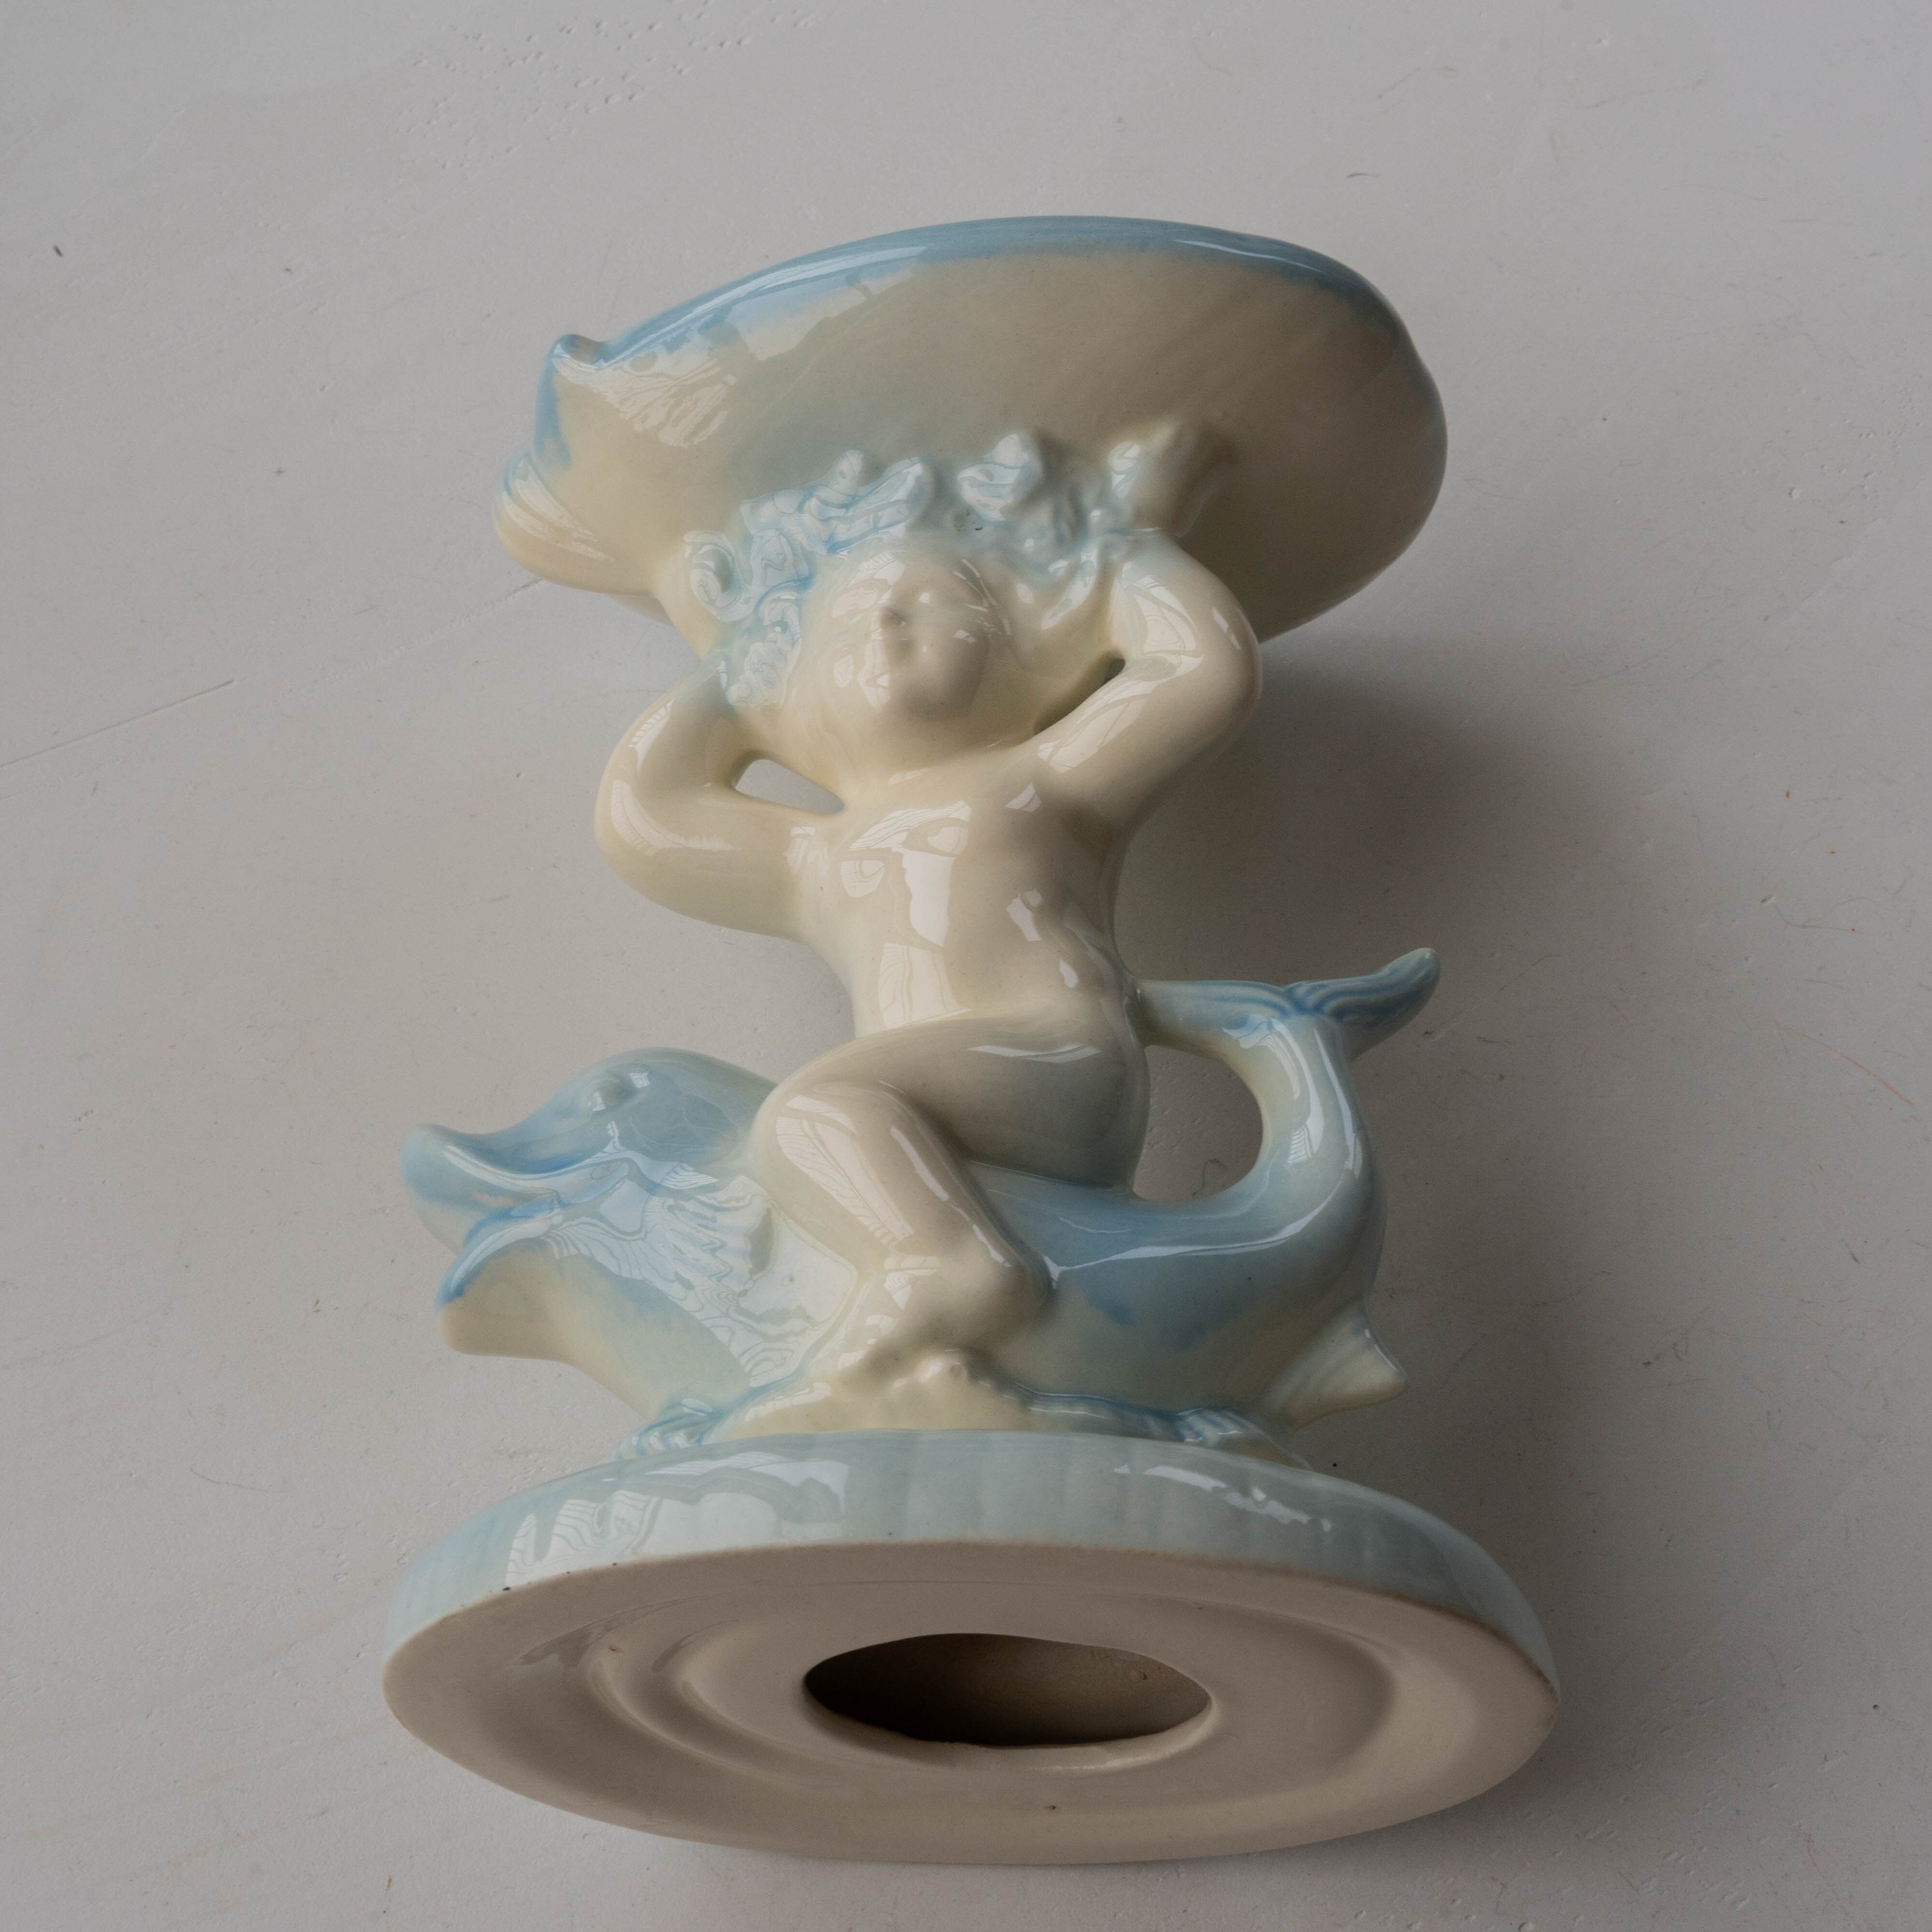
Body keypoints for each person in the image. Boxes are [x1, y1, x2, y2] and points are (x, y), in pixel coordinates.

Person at [594, 428, 1259, 1432]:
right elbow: (645, 815)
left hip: (1056, 1062)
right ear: (794, 686)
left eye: (941, 600)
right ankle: (925, 1294)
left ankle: (950, 1265)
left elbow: (1200, 671)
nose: (888, 621)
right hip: (925, 1097)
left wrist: (1124, 548)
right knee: (829, 1119)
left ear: (1029, 645)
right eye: (845, 620)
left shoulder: (1044, 780)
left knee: (812, 1112)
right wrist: (735, 666)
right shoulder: (815, 855)